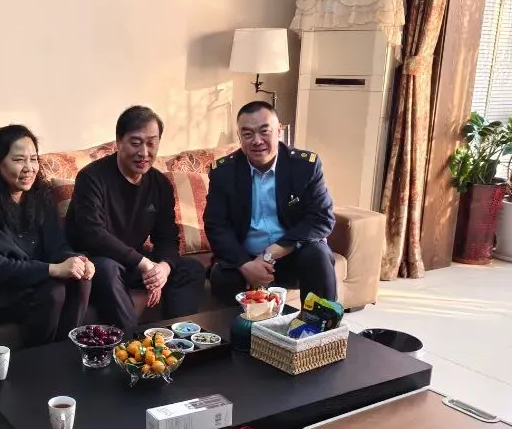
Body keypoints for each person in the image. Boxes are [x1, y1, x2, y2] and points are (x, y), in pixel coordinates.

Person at [0, 125, 93, 346]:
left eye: (33, 159)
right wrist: (52, 269)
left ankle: (65, 353)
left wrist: (77, 261)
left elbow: (57, 245)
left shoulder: (39, 196)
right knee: (53, 293)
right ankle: (37, 361)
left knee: (81, 281)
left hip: (28, 280)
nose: (29, 168)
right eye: (18, 160)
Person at [64, 106, 204, 331]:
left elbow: (167, 237)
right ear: (118, 142)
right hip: (94, 260)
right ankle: (132, 342)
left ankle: (177, 340)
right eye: (136, 143)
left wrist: (163, 268)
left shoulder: (159, 184)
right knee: (108, 269)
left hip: (132, 262)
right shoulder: (92, 178)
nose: (144, 152)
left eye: (151, 143)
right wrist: (144, 264)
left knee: (191, 269)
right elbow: (93, 234)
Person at [204, 101, 337, 306]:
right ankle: (238, 326)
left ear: (279, 131)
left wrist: (269, 254)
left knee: (318, 255)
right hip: (246, 257)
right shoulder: (224, 172)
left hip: (292, 254)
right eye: (248, 134)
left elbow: (322, 218)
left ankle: (321, 322)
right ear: (239, 137)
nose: (257, 141)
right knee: (223, 277)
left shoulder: (304, 167)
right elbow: (216, 225)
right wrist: (245, 264)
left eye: (264, 131)